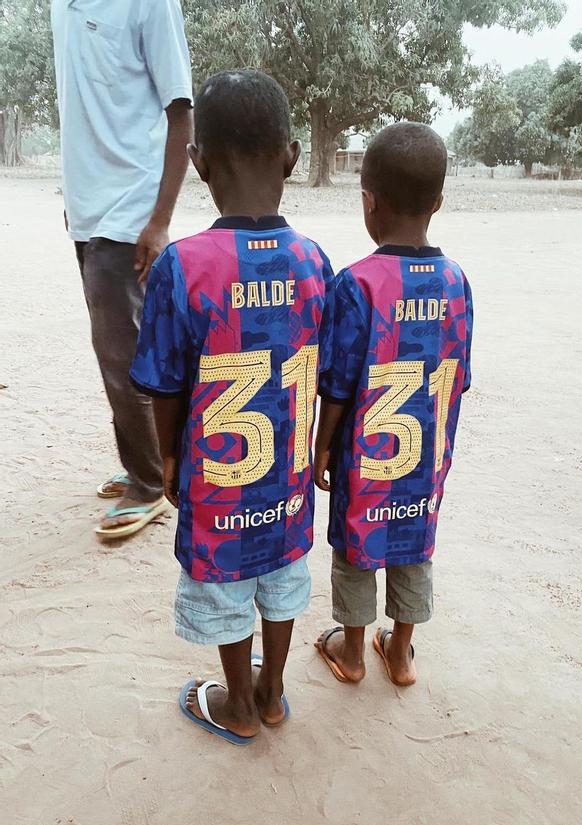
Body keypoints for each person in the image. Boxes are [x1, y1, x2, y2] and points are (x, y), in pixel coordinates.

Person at [130, 70, 335, 744]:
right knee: (281, 576)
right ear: (292, 157)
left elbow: (162, 384)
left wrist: (166, 455)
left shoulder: (182, 266)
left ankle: (239, 703)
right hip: (287, 479)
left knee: (225, 585)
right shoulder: (313, 261)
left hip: (219, 480)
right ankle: (274, 690)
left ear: (198, 163)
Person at [314, 123, 473, 687]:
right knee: (415, 540)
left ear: (368, 203)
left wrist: (323, 447)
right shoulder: (456, 282)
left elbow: (335, 383)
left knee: (357, 543)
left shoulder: (356, 284)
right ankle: (401, 652)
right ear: (437, 202)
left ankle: (353, 651)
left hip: (368, 456)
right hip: (426, 454)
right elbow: (460, 379)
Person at [51, 0, 193, 539]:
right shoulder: (59, 7)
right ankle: (147, 459)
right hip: (87, 211)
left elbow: (181, 110)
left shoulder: (150, 3)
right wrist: (75, 196)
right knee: (118, 348)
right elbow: (82, 108)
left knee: (121, 350)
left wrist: (159, 220)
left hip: (130, 212)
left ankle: (150, 482)